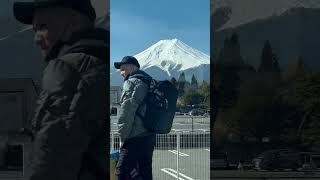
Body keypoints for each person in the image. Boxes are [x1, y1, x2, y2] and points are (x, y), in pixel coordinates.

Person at [13, 0, 109, 179]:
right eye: (35, 31)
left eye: (43, 27)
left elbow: (53, 158)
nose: (36, 39)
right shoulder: (102, 61)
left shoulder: (69, 68)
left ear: (74, 22)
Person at [114, 56, 156, 180]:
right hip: (149, 136)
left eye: (123, 69)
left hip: (134, 137)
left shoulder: (132, 82)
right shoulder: (150, 81)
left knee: (121, 173)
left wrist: (122, 138)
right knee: (145, 172)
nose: (121, 73)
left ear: (132, 67)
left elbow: (126, 112)